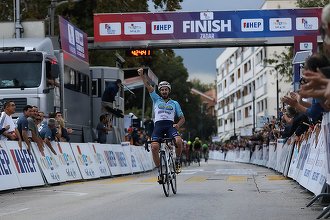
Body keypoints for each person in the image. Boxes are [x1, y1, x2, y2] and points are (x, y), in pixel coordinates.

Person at [138, 68, 185, 183]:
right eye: (162, 90)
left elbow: (182, 118)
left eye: (166, 90)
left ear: (169, 91)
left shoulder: (175, 103)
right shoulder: (156, 99)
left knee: (178, 141)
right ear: (160, 91)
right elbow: (148, 86)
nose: (164, 91)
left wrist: (178, 125)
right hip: (158, 127)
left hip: (170, 126)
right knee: (154, 147)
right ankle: (160, 172)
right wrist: (142, 76)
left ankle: (177, 161)